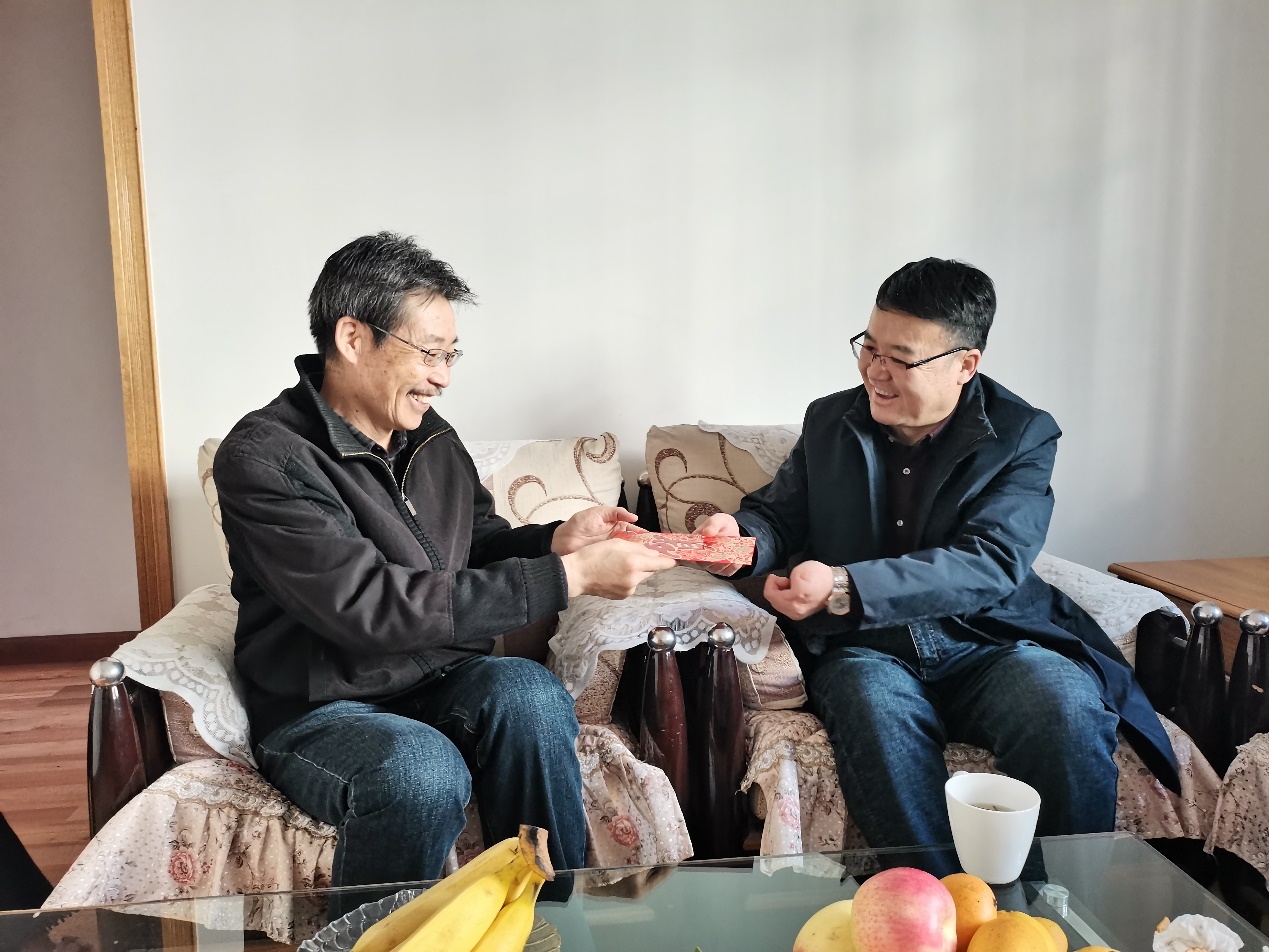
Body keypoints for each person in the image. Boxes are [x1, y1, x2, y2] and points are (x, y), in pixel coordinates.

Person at [214, 232, 674, 887]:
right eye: (429, 352)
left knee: (530, 693)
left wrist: (555, 542)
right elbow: (369, 607)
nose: (443, 376)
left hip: (441, 681)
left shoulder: (429, 437)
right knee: (420, 769)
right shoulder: (266, 458)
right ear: (352, 337)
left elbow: (475, 544)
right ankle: (380, 935)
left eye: (450, 354)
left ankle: (549, 920)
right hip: (322, 710)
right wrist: (569, 577)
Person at [696, 257, 1178, 864]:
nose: (876, 372)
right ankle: (934, 900)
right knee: (875, 713)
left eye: (901, 358)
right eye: (869, 348)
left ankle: (1063, 901)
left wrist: (845, 584)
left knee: (1063, 705)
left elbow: (991, 561)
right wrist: (739, 539)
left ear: (965, 365)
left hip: (993, 640)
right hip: (867, 646)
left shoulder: (1022, 435)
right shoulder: (829, 421)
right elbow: (778, 516)